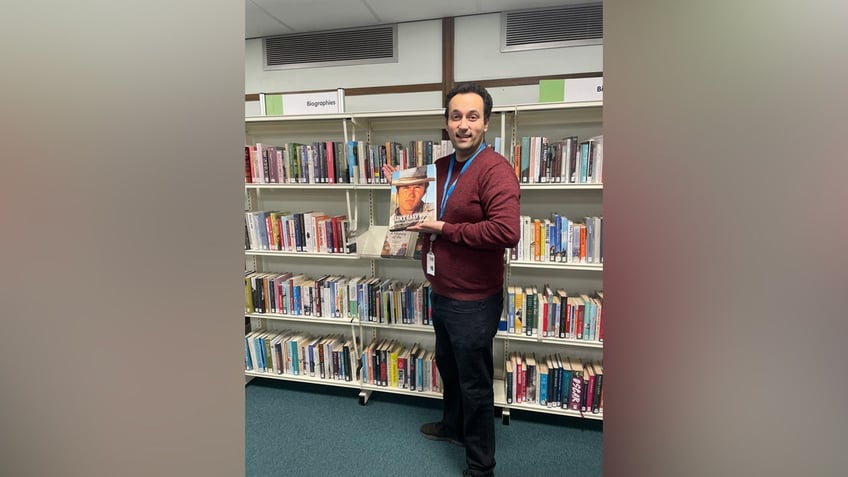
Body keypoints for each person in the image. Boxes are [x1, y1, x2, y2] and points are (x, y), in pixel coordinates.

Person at [383, 82, 520, 477]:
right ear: (447, 122)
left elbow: (506, 232)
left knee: (475, 384)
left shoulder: (496, 170)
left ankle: (481, 467)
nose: (463, 124)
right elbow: (418, 211)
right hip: (441, 288)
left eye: (472, 117)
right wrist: (403, 185)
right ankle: (453, 427)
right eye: (456, 116)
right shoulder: (441, 168)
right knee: (449, 365)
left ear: (485, 123)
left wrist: (444, 228)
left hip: (474, 299)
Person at [389, 166, 436, 231]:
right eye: (406, 187)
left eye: (417, 187)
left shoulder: (434, 214)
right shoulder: (391, 222)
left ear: (424, 192)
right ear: (398, 193)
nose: (411, 194)